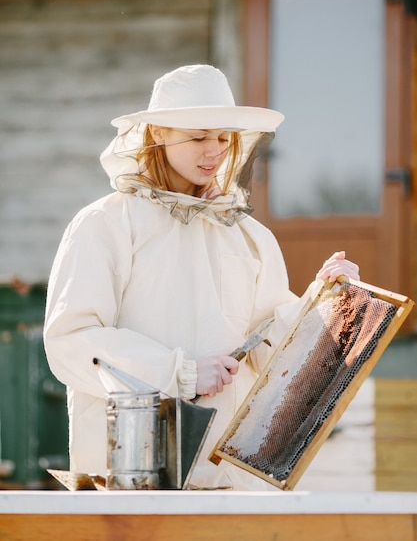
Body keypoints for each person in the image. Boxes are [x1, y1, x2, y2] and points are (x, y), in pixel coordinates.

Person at [43, 64, 359, 490]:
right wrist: (180, 373)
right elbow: (71, 339)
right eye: (197, 137)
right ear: (157, 134)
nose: (214, 151)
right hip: (128, 480)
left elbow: (270, 350)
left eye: (223, 138)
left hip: (226, 481)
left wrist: (325, 301)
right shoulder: (105, 224)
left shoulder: (250, 236)